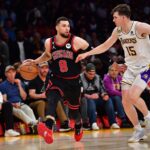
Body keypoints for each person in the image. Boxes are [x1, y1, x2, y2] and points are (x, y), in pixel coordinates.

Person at [76, 4, 150, 142]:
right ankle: (138, 130)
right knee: (125, 100)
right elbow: (105, 46)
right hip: (129, 68)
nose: (113, 20)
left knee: (134, 96)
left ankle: (148, 118)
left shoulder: (140, 27)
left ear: (123, 17)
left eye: (115, 17)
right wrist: (87, 54)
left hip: (145, 66)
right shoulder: (118, 31)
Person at [24, 16, 90, 144]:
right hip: (56, 78)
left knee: (74, 112)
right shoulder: (49, 42)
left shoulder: (76, 41)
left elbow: (90, 49)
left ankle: (78, 124)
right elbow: (47, 55)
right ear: (57, 27)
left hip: (73, 81)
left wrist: (85, 54)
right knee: (52, 99)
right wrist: (35, 61)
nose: (67, 28)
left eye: (68, 26)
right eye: (64, 26)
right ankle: (48, 127)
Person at [28, 61, 71, 132]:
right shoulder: (34, 79)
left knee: (55, 101)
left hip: (47, 101)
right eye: (42, 68)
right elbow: (31, 94)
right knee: (41, 103)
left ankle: (64, 123)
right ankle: (45, 124)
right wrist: (41, 95)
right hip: (34, 102)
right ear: (38, 69)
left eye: (46, 68)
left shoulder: (50, 79)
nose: (45, 70)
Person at [80, 63, 120, 130]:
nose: (92, 76)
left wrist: (104, 95)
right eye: (90, 74)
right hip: (86, 98)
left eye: (93, 73)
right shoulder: (80, 78)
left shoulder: (98, 77)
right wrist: (89, 96)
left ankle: (113, 123)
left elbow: (102, 88)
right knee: (90, 101)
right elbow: (79, 92)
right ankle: (93, 123)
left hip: (97, 97)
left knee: (108, 100)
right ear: (85, 72)